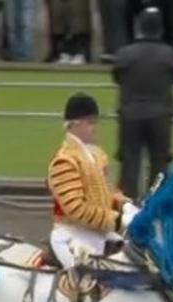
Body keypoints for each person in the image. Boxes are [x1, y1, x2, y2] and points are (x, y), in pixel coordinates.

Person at [46, 93, 137, 268]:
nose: (95, 127)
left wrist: (126, 205)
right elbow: (76, 209)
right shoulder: (64, 160)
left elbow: (107, 193)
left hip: (100, 232)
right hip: (72, 235)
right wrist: (118, 220)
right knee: (85, 282)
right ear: (75, 123)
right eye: (90, 122)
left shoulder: (97, 155)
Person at [113, 7, 173, 198]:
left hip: (131, 115)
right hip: (160, 116)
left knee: (129, 166)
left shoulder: (124, 54)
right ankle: (156, 209)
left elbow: (117, 77)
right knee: (160, 166)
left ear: (139, 27)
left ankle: (127, 210)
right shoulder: (170, 55)